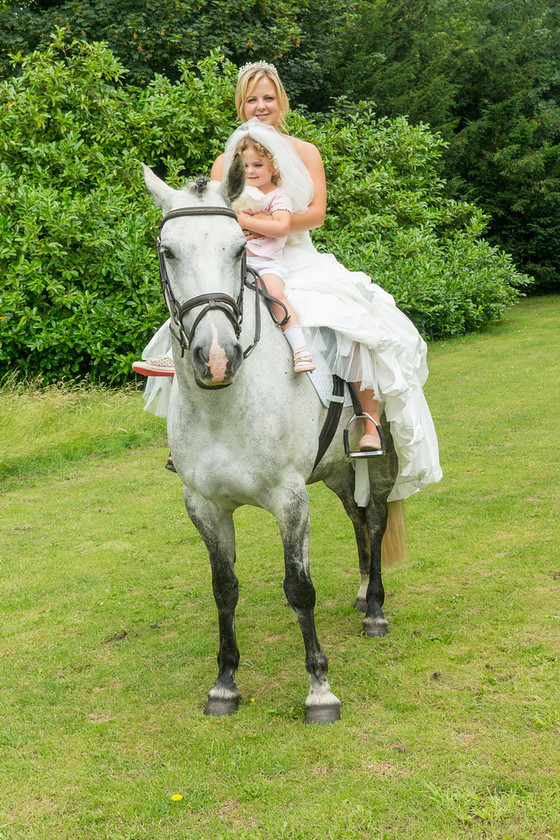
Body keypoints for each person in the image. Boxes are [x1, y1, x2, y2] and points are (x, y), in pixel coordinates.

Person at [136, 61, 442, 498]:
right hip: (240, 259)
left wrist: (258, 222)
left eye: (268, 98)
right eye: (251, 98)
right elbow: (211, 221)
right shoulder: (226, 158)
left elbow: (315, 214)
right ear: (240, 103)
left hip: (293, 257)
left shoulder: (305, 151)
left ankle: (365, 419)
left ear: (282, 102)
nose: (260, 107)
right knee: (197, 312)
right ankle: (184, 437)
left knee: (350, 320)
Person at [234, 133, 315, 373]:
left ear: (274, 167)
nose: (251, 171)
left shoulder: (278, 196)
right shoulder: (236, 195)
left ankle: (300, 349)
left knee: (275, 293)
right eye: (245, 165)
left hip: (266, 264)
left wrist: (242, 219)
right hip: (236, 263)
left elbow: (281, 227)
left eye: (258, 165)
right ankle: (172, 355)